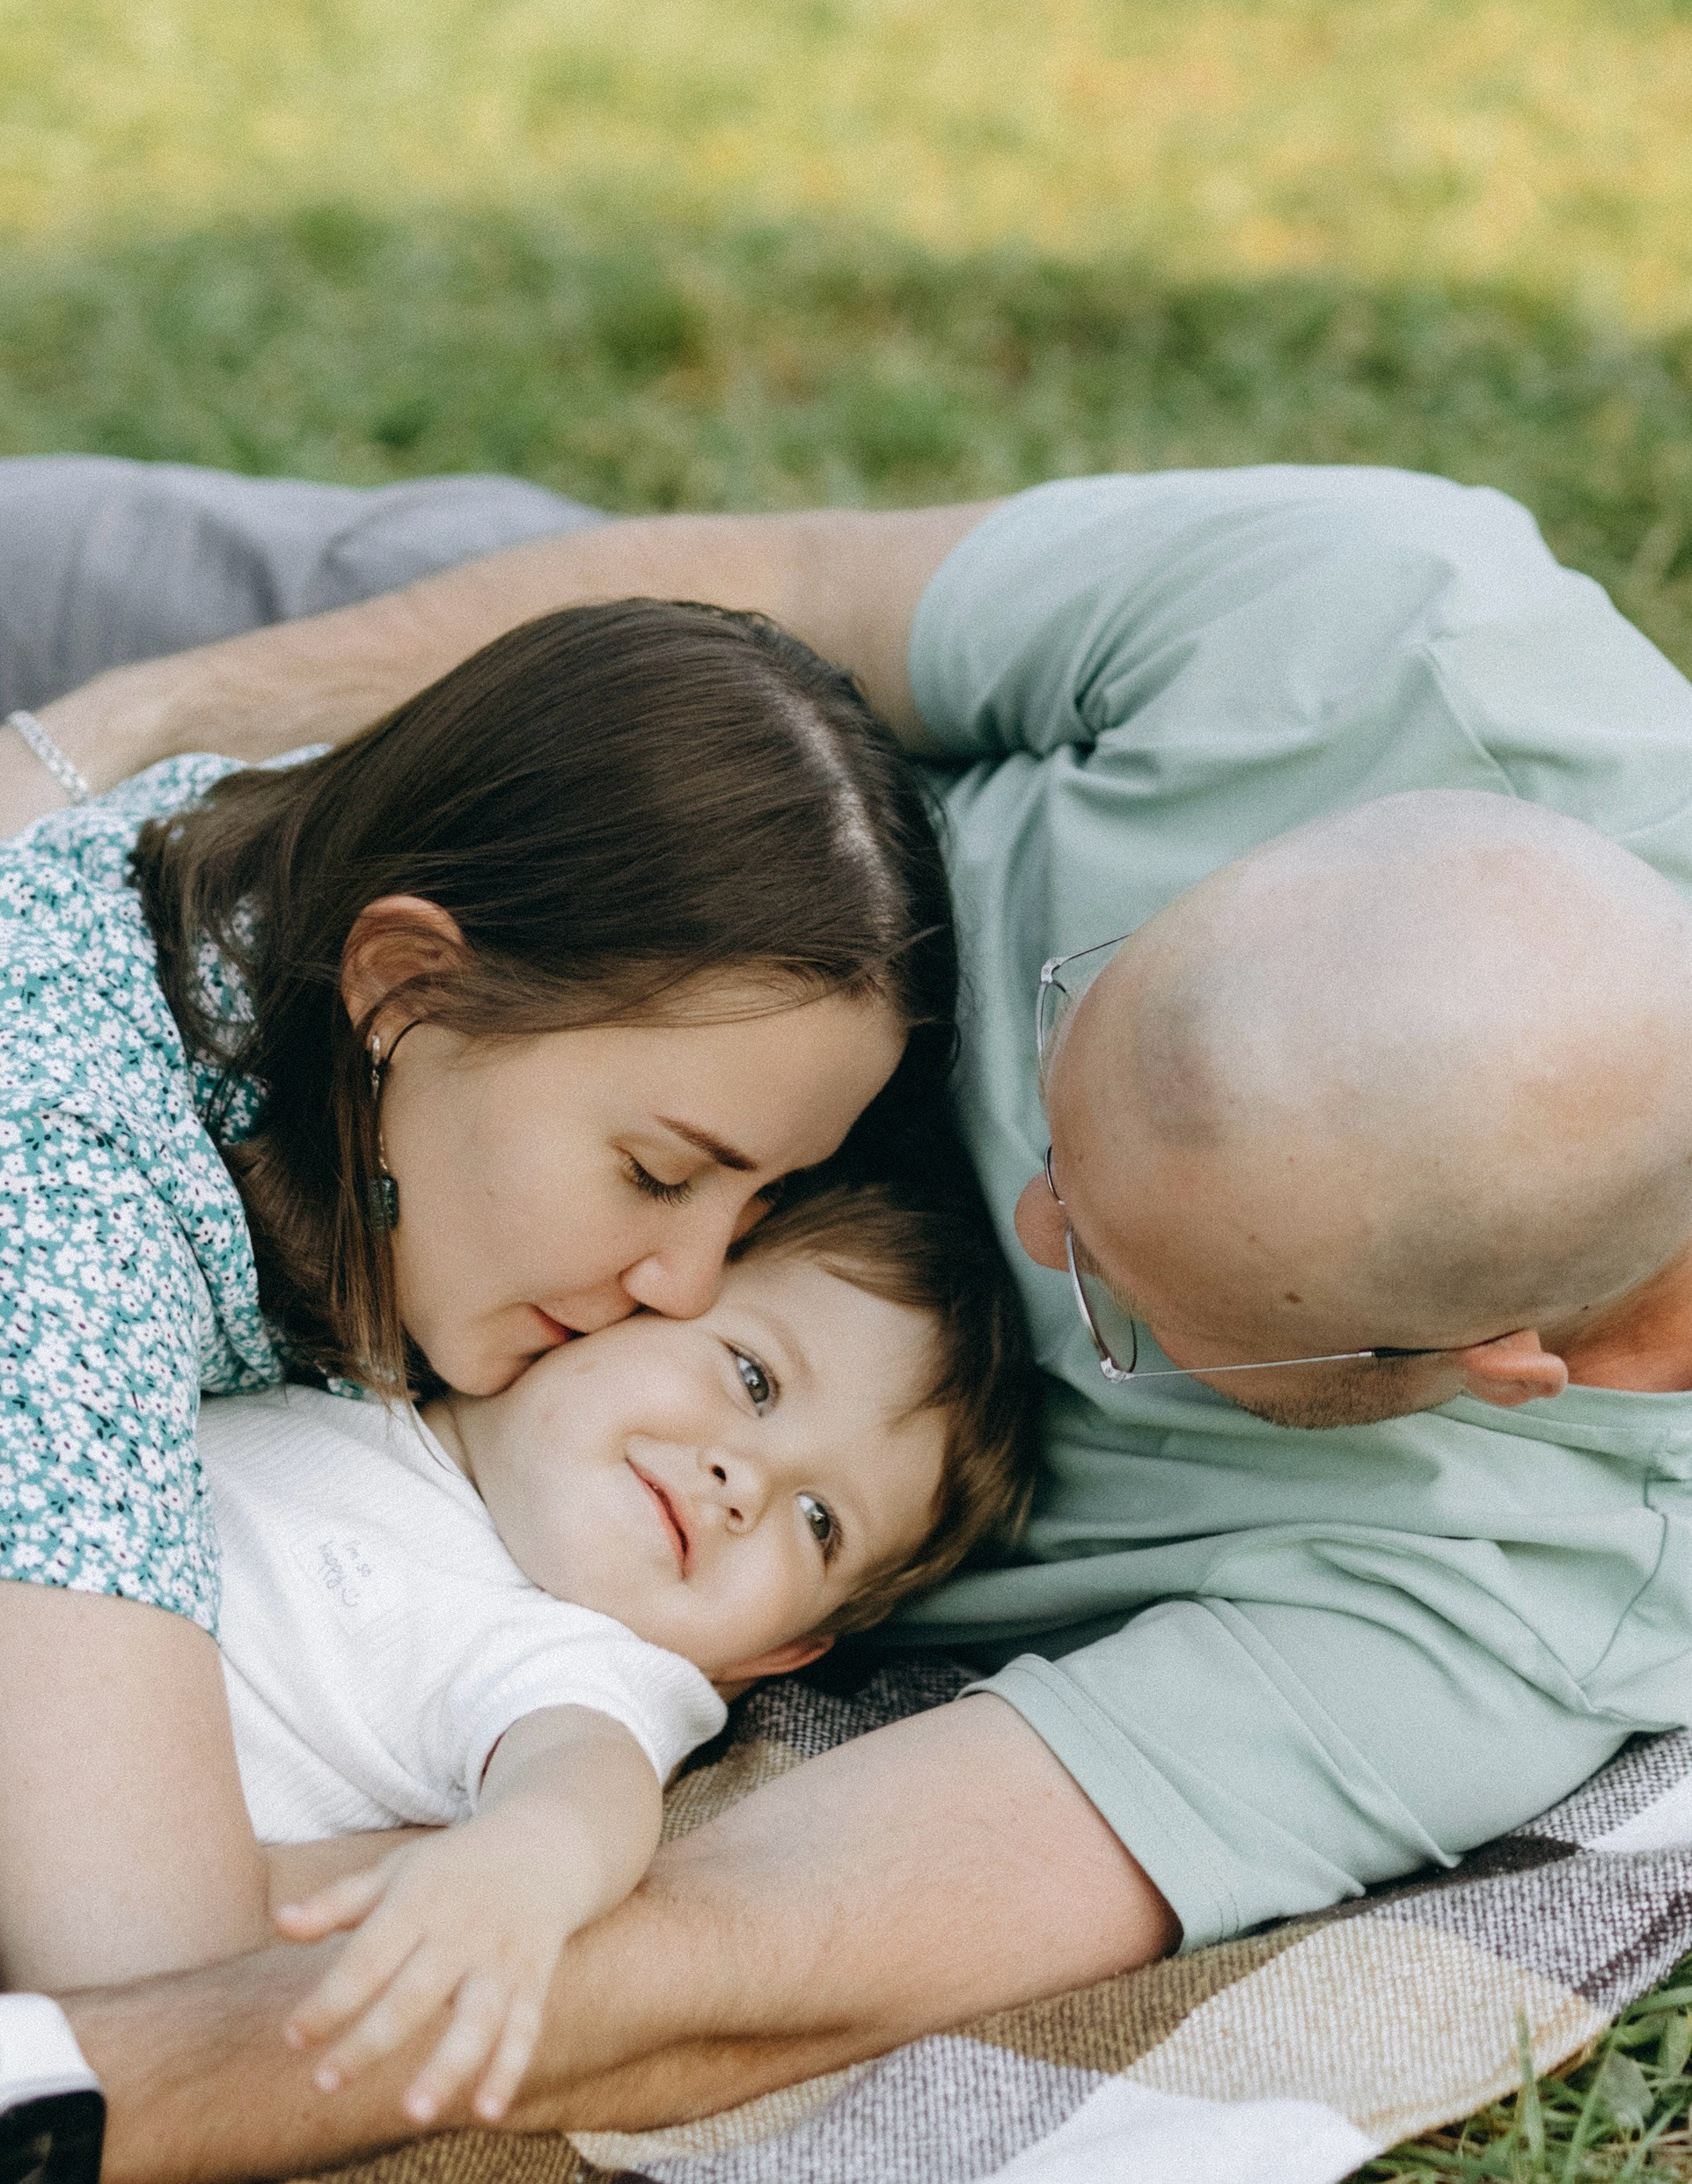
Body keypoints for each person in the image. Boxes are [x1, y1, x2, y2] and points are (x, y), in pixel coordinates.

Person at [10, 454, 1692, 2178]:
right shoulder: (1385, 632)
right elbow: (797, 569)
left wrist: (247, 2016)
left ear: (1485, 1361)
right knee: (126, 573)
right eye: (1064, 1046)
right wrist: (91, 739)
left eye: (1116, 1286)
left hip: (383, 1235)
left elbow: (794, 1937)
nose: (1028, 1213)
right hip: (637, 828)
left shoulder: (1528, 1599)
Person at [202, 1177, 1031, 2134]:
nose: (744, 1481)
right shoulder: (349, 1355)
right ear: (614, 1306)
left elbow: (585, 1777)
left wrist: (525, 1864)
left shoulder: (572, 1656)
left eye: (819, 1522)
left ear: (777, 1651)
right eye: (754, 1378)